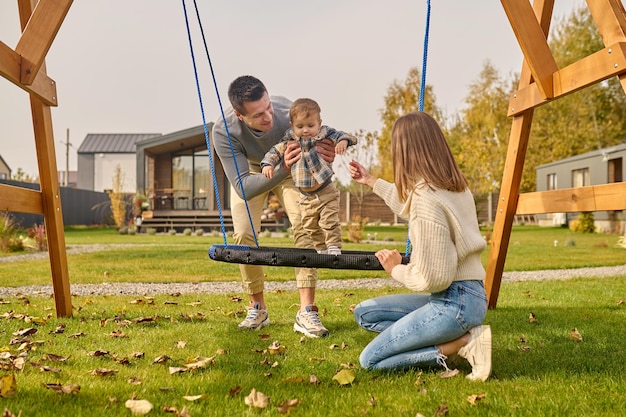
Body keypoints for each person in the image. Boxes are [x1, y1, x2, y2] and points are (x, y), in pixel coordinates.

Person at [348, 112, 492, 381]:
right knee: (365, 313)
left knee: (370, 360)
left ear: (403, 152)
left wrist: (396, 269)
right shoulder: (453, 186)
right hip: (470, 295)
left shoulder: (427, 197)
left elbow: (434, 278)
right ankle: (445, 338)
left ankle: (460, 344)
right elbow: (410, 205)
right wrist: (371, 182)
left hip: (453, 305)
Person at [211, 75, 334, 338]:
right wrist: (280, 169)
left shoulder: (285, 111)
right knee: (243, 234)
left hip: (292, 170)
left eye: (267, 107)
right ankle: (257, 307)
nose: (267, 116)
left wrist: (327, 150)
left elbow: (316, 135)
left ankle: (306, 310)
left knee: (305, 223)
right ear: (240, 115)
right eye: (258, 114)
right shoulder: (224, 131)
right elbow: (243, 188)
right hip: (251, 174)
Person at [261, 98, 357, 255]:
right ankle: (321, 248)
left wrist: (343, 142)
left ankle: (333, 246)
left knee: (328, 221)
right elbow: (275, 152)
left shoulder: (324, 133)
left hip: (326, 191)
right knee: (309, 225)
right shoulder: (289, 140)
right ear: (292, 126)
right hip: (305, 197)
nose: (305, 130)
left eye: (310, 126)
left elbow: (344, 135)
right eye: (300, 126)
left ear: (319, 123)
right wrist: (268, 164)